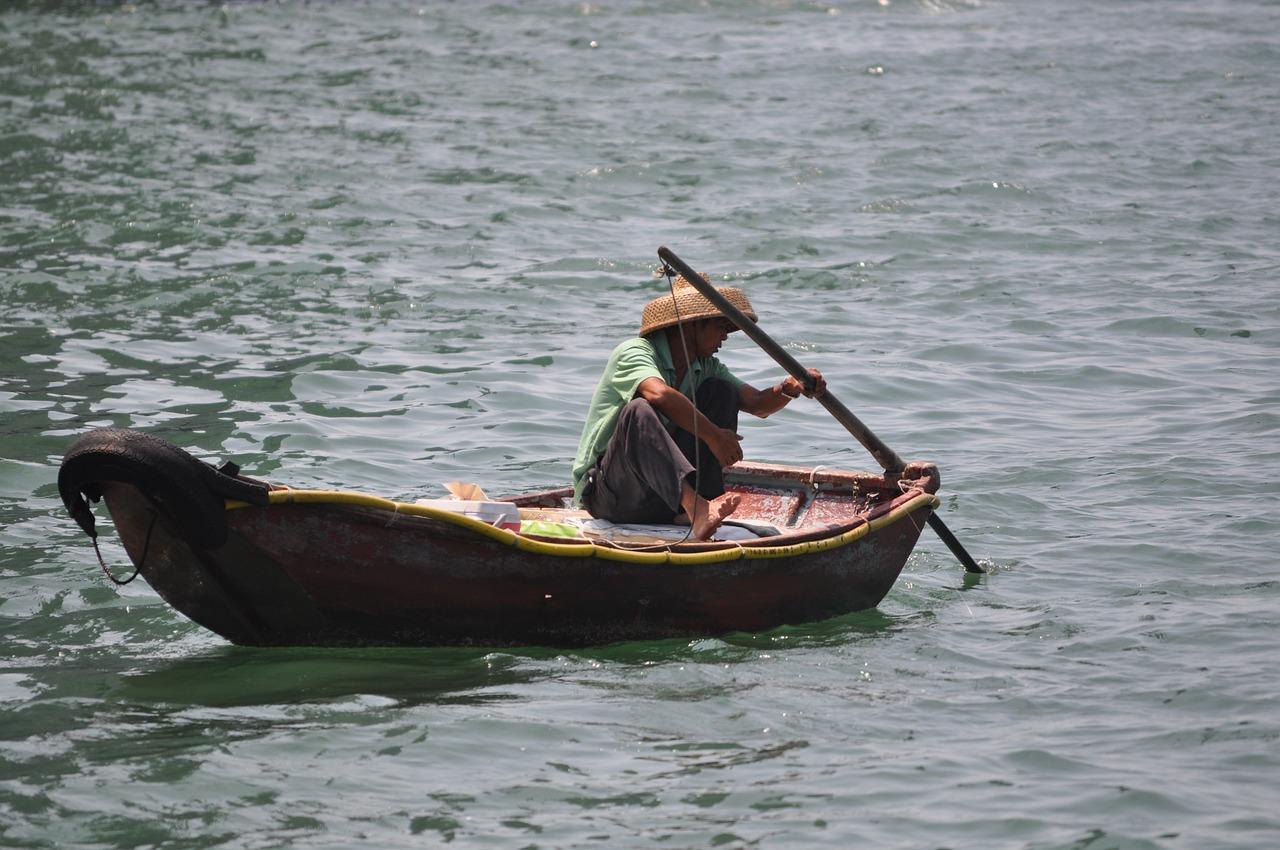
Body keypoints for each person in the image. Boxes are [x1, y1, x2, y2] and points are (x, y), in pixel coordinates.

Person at [571, 273, 826, 540]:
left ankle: (699, 506)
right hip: (611, 496)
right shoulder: (635, 352)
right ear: (692, 326)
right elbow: (658, 394)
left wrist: (791, 387)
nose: (725, 337)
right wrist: (714, 436)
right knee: (638, 410)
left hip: (661, 499)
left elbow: (758, 404)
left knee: (721, 391)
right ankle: (696, 507)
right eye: (720, 328)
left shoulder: (705, 367)